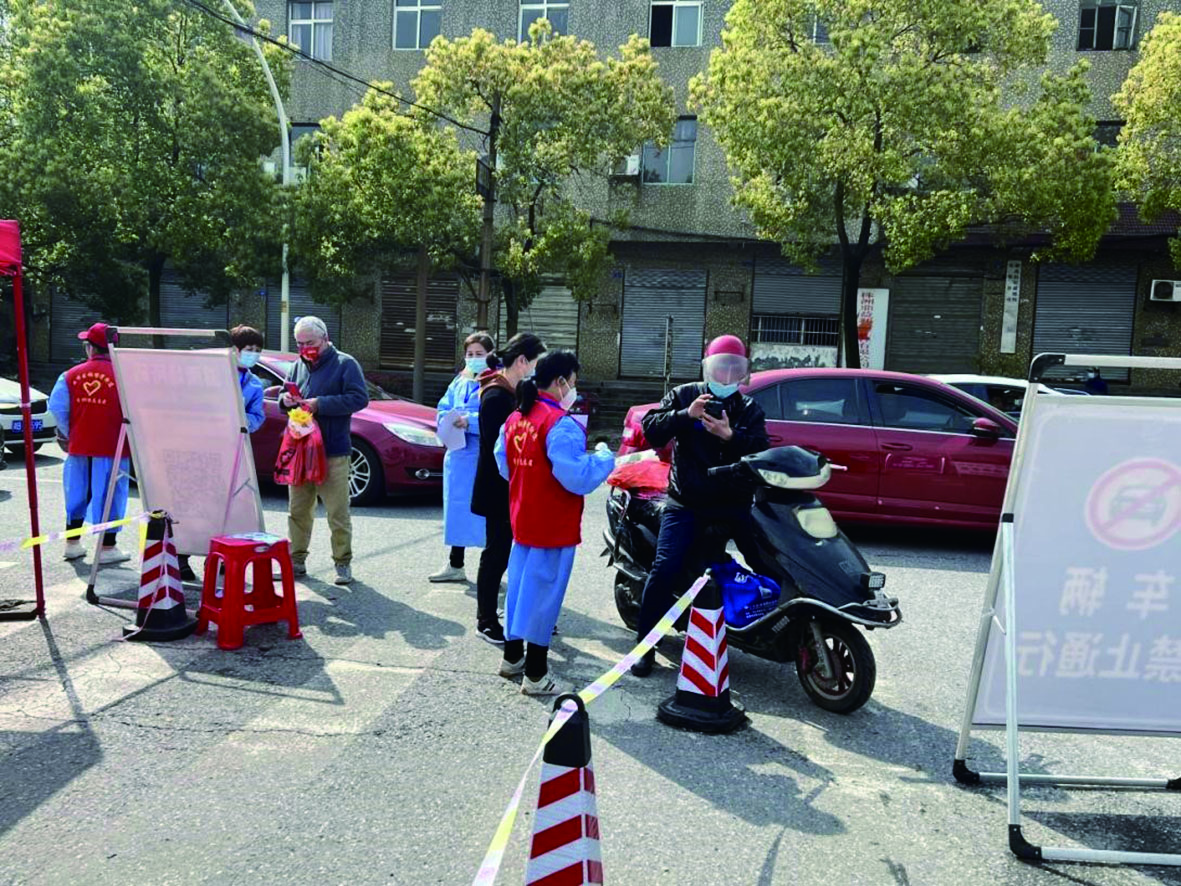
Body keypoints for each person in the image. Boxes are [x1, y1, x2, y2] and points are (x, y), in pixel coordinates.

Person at [629, 334, 771, 677]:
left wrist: (730, 436)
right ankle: (645, 646)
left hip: (733, 503)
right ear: (708, 367)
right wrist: (684, 415)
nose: (726, 375)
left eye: (733, 369)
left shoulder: (749, 408)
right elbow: (651, 430)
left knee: (765, 561)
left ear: (743, 372)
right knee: (665, 568)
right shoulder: (684, 394)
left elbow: (760, 450)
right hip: (686, 502)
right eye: (720, 367)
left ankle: (773, 631)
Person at [494, 350, 615, 695]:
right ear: (561, 381)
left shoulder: (516, 417)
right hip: (553, 524)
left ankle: (512, 658)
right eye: (573, 381)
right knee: (543, 600)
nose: (574, 388)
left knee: (519, 591)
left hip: (523, 518)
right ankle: (535, 675)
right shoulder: (560, 424)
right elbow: (578, 477)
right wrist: (605, 456)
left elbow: (503, 463)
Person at [469, 331, 546, 645]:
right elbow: (499, 449)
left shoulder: (514, 391)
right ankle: (486, 619)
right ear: (523, 361)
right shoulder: (496, 396)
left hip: (516, 486)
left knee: (519, 554)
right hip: (498, 489)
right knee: (496, 555)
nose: (539, 369)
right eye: (537, 362)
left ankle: (522, 614)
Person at [280, 316, 369, 585]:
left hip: (333, 450)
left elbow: (359, 398)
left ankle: (342, 562)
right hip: (301, 448)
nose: (304, 348)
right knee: (298, 509)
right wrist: (285, 401)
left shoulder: (345, 363)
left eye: (310, 343)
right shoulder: (297, 364)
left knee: (337, 512)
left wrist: (320, 403)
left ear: (325, 338)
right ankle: (296, 560)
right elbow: (283, 396)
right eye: (299, 343)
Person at [177, 324, 268, 583]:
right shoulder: (211, 374)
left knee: (226, 508)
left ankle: (216, 558)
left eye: (257, 350)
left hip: (233, 452)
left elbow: (257, 416)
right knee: (194, 504)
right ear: (234, 349)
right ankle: (182, 556)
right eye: (248, 349)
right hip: (201, 450)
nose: (253, 354)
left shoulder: (254, 383)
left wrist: (240, 420)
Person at [47, 322, 131, 564]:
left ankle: (72, 543)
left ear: (91, 348)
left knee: (77, 493)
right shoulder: (126, 376)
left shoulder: (69, 375)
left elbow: (58, 408)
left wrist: (70, 434)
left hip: (80, 447)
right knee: (112, 495)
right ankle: (107, 547)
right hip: (114, 448)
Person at [429, 332, 494, 583]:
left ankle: (492, 568)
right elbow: (443, 406)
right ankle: (456, 562)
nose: (474, 358)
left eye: (479, 354)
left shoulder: (495, 381)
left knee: (487, 513)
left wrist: (470, 421)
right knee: (457, 509)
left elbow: (498, 417)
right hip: (457, 454)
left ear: (490, 354)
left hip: (481, 454)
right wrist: (447, 419)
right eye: (470, 354)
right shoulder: (460, 380)